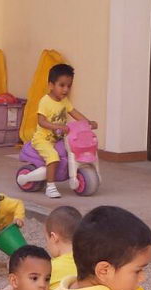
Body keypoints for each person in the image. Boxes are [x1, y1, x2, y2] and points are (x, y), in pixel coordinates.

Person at [16, 63, 97, 199]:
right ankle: (50, 186)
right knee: (53, 157)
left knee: (72, 151)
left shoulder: (64, 101)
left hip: (58, 139)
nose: (65, 89)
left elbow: (75, 113)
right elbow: (41, 121)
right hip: (42, 140)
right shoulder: (45, 101)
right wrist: (56, 126)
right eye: (62, 85)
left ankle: (68, 174)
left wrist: (88, 123)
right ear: (51, 85)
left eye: (69, 86)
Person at [0, 205, 80, 290]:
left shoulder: (52, 267)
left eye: (46, 239)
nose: (47, 244)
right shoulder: (87, 261)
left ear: (53, 237)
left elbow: (19, 285)